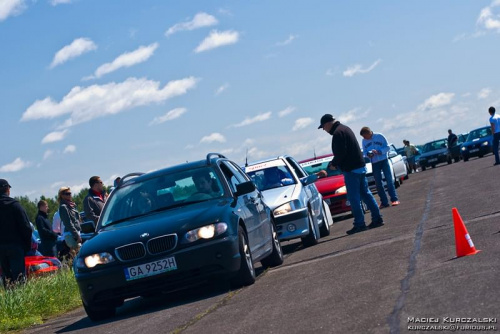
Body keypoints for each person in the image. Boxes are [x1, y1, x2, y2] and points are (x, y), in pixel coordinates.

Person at [318, 114, 383, 235]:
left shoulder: (338, 133)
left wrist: (333, 164)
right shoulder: (345, 129)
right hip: (360, 167)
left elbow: (341, 152)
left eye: (323, 127)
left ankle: (360, 224)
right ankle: (377, 218)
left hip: (351, 169)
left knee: (354, 198)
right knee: (366, 194)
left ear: (327, 124)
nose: (324, 130)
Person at [0, 179, 32, 287]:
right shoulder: (15, 205)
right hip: (16, 246)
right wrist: (27, 246)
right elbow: (26, 227)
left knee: (6, 277)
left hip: (1, 248)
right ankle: (21, 302)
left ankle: (11, 303)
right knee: (19, 277)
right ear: (7, 189)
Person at [360, 126, 400, 208]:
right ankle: (384, 202)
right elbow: (364, 152)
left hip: (384, 160)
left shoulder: (380, 136)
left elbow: (388, 147)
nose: (364, 138)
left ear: (368, 133)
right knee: (378, 183)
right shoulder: (364, 141)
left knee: (389, 180)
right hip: (374, 163)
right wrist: (368, 154)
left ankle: (394, 199)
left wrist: (380, 151)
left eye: (364, 136)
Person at [58, 187, 82, 253]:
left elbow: (77, 219)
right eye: (67, 194)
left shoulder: (71, 205)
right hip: (71, 235)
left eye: (70, 193)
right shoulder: (63, 207)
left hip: (74, 233)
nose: (69, 195)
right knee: (77, 254)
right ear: (62, 195)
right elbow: (68, 223)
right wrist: (77, 236)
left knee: (77, 254)